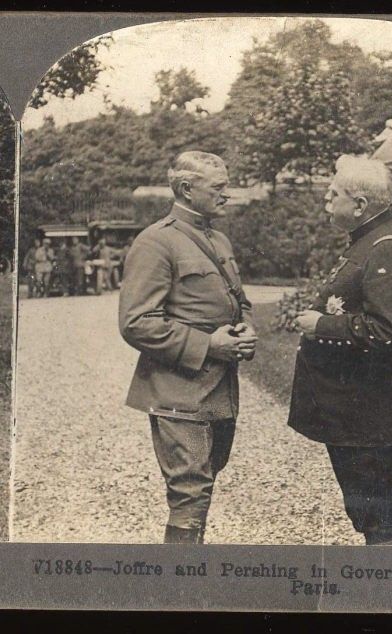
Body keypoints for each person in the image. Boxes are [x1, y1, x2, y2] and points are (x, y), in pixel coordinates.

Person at [288, 155, 392, 546]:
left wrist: (320, 324)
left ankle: (386, 595)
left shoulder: (386, 246)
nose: (326, 196)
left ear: (359, 205)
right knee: (371, 509)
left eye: (334, 192)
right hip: (365, 410)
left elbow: (387, 330)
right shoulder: (373, 237)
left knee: (379, 513)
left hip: (375, 412)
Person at [119, 151, 257, 544]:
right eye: (219, 188)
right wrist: (207, 344)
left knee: (205, 481)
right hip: (177, 391)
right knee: (189, 492)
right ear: (185, 189)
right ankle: (180, 591)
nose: (227, 195)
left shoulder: (219, 238)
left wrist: (246, 327)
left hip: (219, 390)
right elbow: (135, 322)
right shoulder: (156, 242)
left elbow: (239, 301)